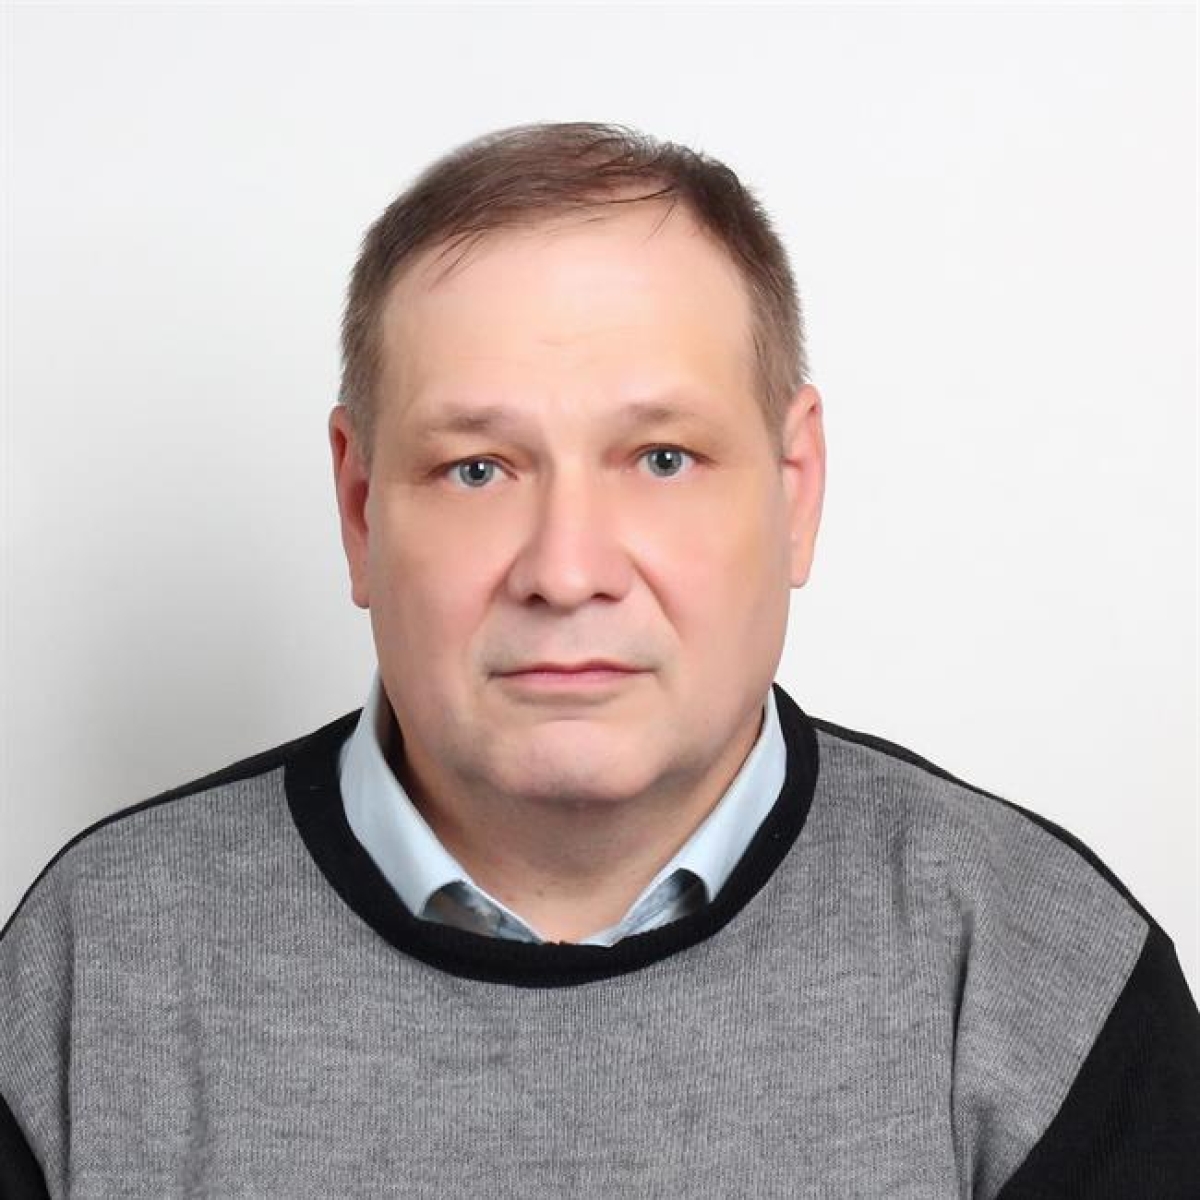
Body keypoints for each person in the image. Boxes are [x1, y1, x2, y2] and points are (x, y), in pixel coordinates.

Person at [1, 121, 1197, 1198]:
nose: (566, 571)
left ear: (795, 491)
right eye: (477, 469)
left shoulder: (1038, 974)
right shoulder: (92, 970)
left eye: (662, 458)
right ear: (361, 509)